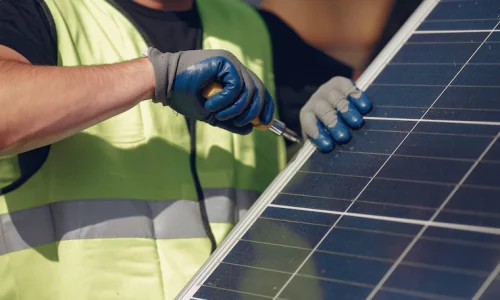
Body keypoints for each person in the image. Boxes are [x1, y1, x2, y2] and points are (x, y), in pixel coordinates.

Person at [0, 0, 372, 299]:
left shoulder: (259, 30)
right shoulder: (34, 12)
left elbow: (387, 161)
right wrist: (155, 76)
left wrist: (352, 116)